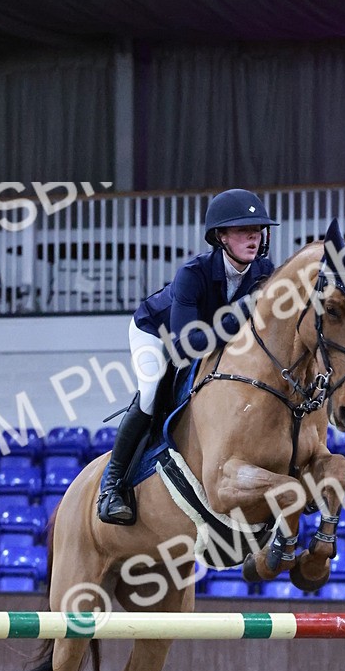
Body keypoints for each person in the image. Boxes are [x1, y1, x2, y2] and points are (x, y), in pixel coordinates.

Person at [98, 188, 278, 524]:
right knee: (152, 393)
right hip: (158, 334)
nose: (253, 237)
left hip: (209, 341)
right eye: (242, 230)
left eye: (257, 230)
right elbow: (185, 346)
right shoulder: (192, 274)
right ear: (221, 237)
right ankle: (112, 486)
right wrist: (237, 314)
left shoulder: (264, 273)